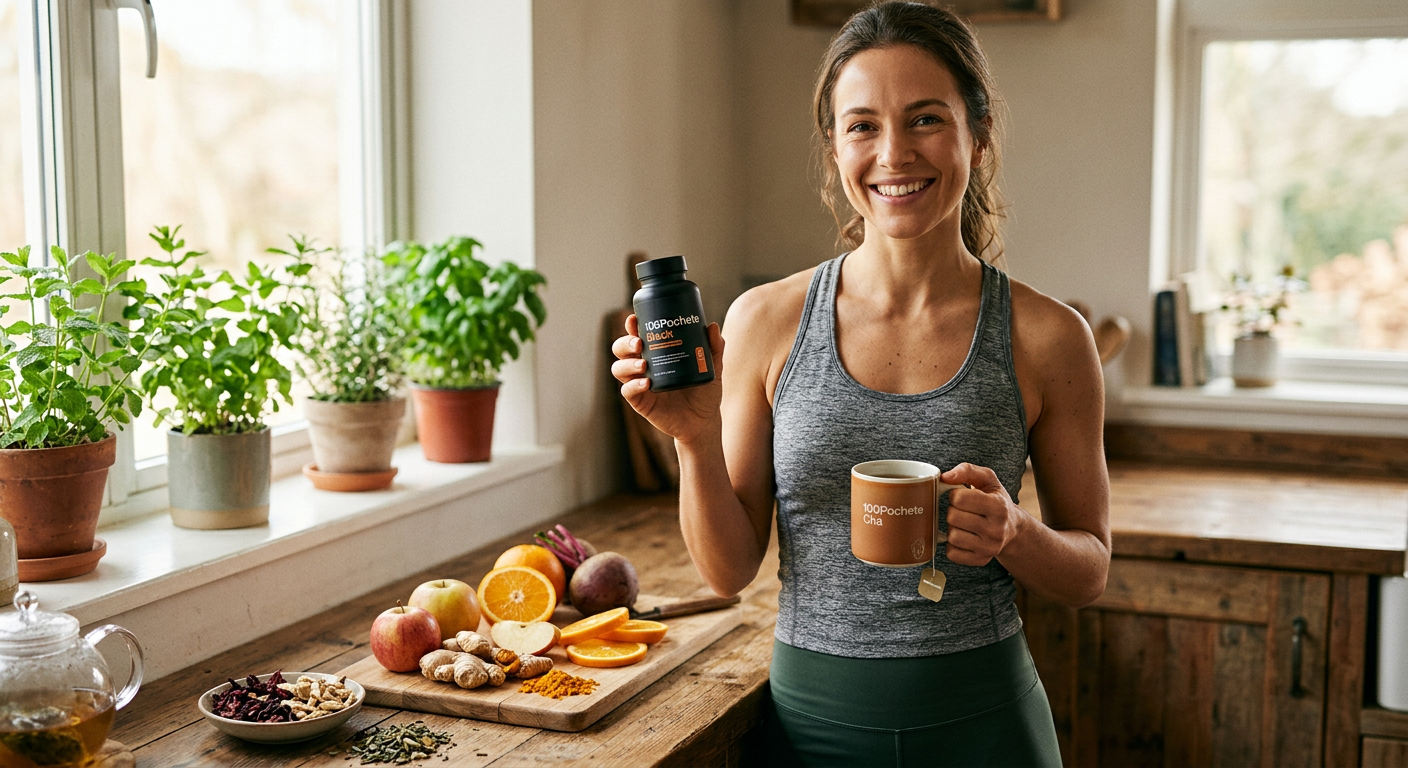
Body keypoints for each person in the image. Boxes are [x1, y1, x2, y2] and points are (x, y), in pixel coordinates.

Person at [611, 2, 1110, 765]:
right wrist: (692, 438)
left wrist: (1016, 533)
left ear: (978, 135)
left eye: (925, 119)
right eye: (863, 125)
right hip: (813, 730)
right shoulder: (765, 321)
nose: (894, 154)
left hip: (987, 726)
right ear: (835, 147)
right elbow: (728, 570)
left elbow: (1089, 570)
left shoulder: (1048, 336)